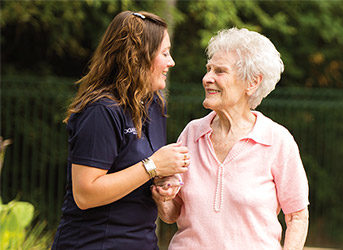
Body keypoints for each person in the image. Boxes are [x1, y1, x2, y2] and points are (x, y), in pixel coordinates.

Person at [152, 28, 309, 250]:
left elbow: (297, 217)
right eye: (208, 69)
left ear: (252, 82)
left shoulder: (277, 141)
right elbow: (173, 213)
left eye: (220, 71)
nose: (207, 78)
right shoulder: (191, 133)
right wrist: (162, 198)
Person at [52, 11, 190, 250]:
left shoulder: (155, 105)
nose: (171, 62)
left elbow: (136, 170)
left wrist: (161, 181)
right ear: (137, 57)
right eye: (165, 53)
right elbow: (86, 194)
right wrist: (152, 166)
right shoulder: (100, 110)